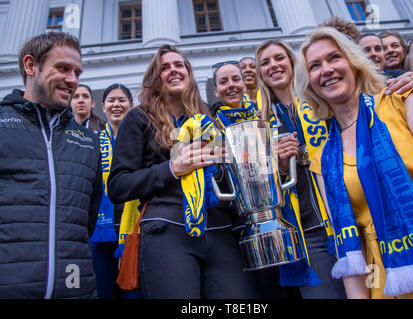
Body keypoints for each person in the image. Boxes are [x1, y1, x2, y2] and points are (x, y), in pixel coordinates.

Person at [297, 26, 413, 299]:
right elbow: (349, 252)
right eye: (315, 66)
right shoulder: (322, 160)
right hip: (388, 283)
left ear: (354, 65)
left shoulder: (404, 101)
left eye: (335, 58)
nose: (326, 69)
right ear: (309, 82)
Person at [107, 44, 259, 299]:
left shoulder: (210, 117)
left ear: (189, 73)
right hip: (167, 229)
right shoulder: (138, 118)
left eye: (179, 65)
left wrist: (225, 164)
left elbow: (227, 183)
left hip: (219, 231)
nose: (173, 70)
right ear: (155, 79)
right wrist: (173, 168)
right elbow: (118, 185)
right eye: (164, 67)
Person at [0, 32, 102, 298]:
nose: (73, 80)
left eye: (77, 72)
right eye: (63, 68)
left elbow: (86, 220)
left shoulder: (88, 141)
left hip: (74, 289)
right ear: (31, 66)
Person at [255, 39, 347, 299]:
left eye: (279, 58)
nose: (273, 65)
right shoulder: (261, 122)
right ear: (260, 72)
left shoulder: (323, 97)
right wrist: (283, 168)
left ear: (292, 61)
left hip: (348, 217)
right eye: (265, 62)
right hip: (307, 232)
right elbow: (262, 186)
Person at [89, 83, 142, 299]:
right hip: (102, 234)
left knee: (135, 293)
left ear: (131, 105)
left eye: (122, 100)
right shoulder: (92, 143)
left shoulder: (142, 141)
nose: (116, 105)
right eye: (111, 100)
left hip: (135, 232)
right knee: (105, 294)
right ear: (103, 106)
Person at [359, 33, 413, 110]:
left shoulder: (402, 75)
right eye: (366, 50)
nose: (373, 53)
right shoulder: (355, 87)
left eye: (378, 49)